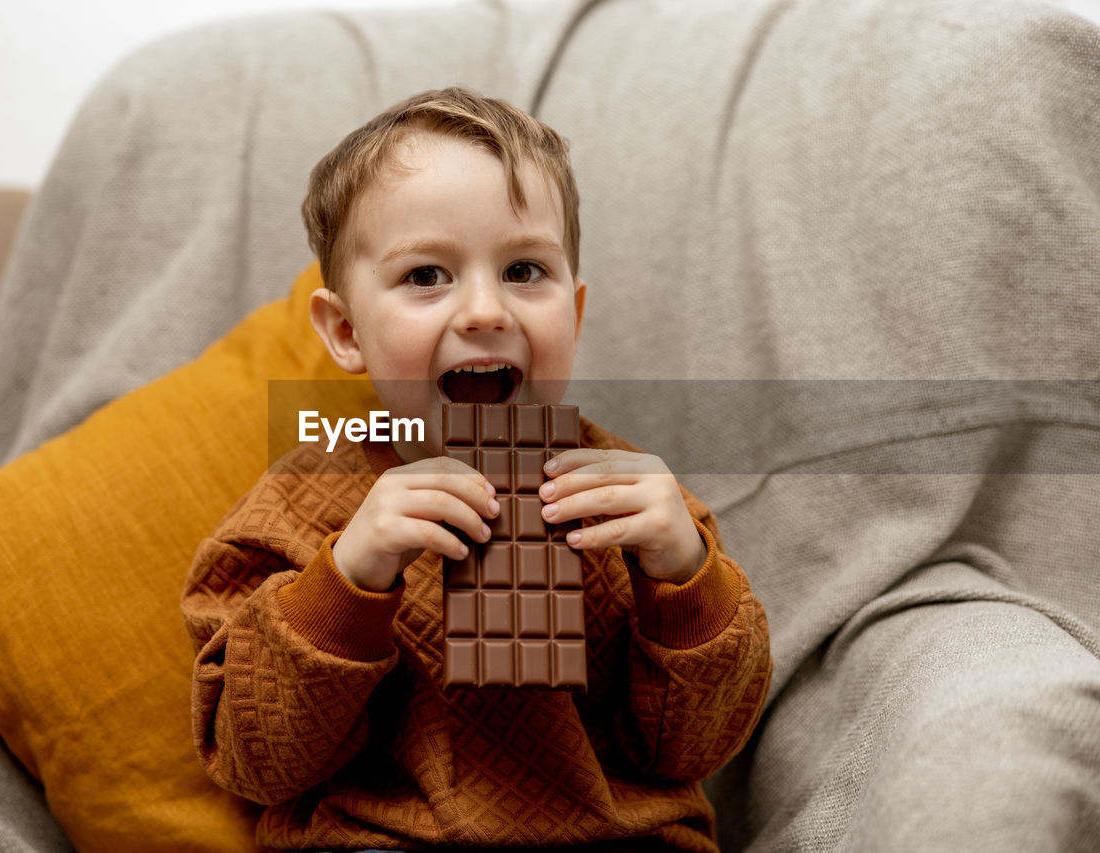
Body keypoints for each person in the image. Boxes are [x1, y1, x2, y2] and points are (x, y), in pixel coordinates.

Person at [181, 87, 772, 852]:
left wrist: (686, 578)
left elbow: (696, 750)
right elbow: (254, 760)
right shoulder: (303, 501)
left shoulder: (633, 498)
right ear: (346, 331)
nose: (486, 311)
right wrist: (350, 578)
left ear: (575, 311)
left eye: (525, 270)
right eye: (427, 276)